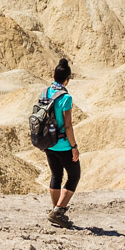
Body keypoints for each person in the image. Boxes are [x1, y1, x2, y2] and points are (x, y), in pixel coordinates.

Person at [43, 58, 79, 228]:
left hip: (48, 142)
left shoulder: (45, 92)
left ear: (53, 75)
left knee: (56, 176)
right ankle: (58, 211)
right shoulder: (66, 98)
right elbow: (68, 125)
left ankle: (55, 210)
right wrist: (74, 147)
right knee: (74, 175)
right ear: (68, 79)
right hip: (63, 144)